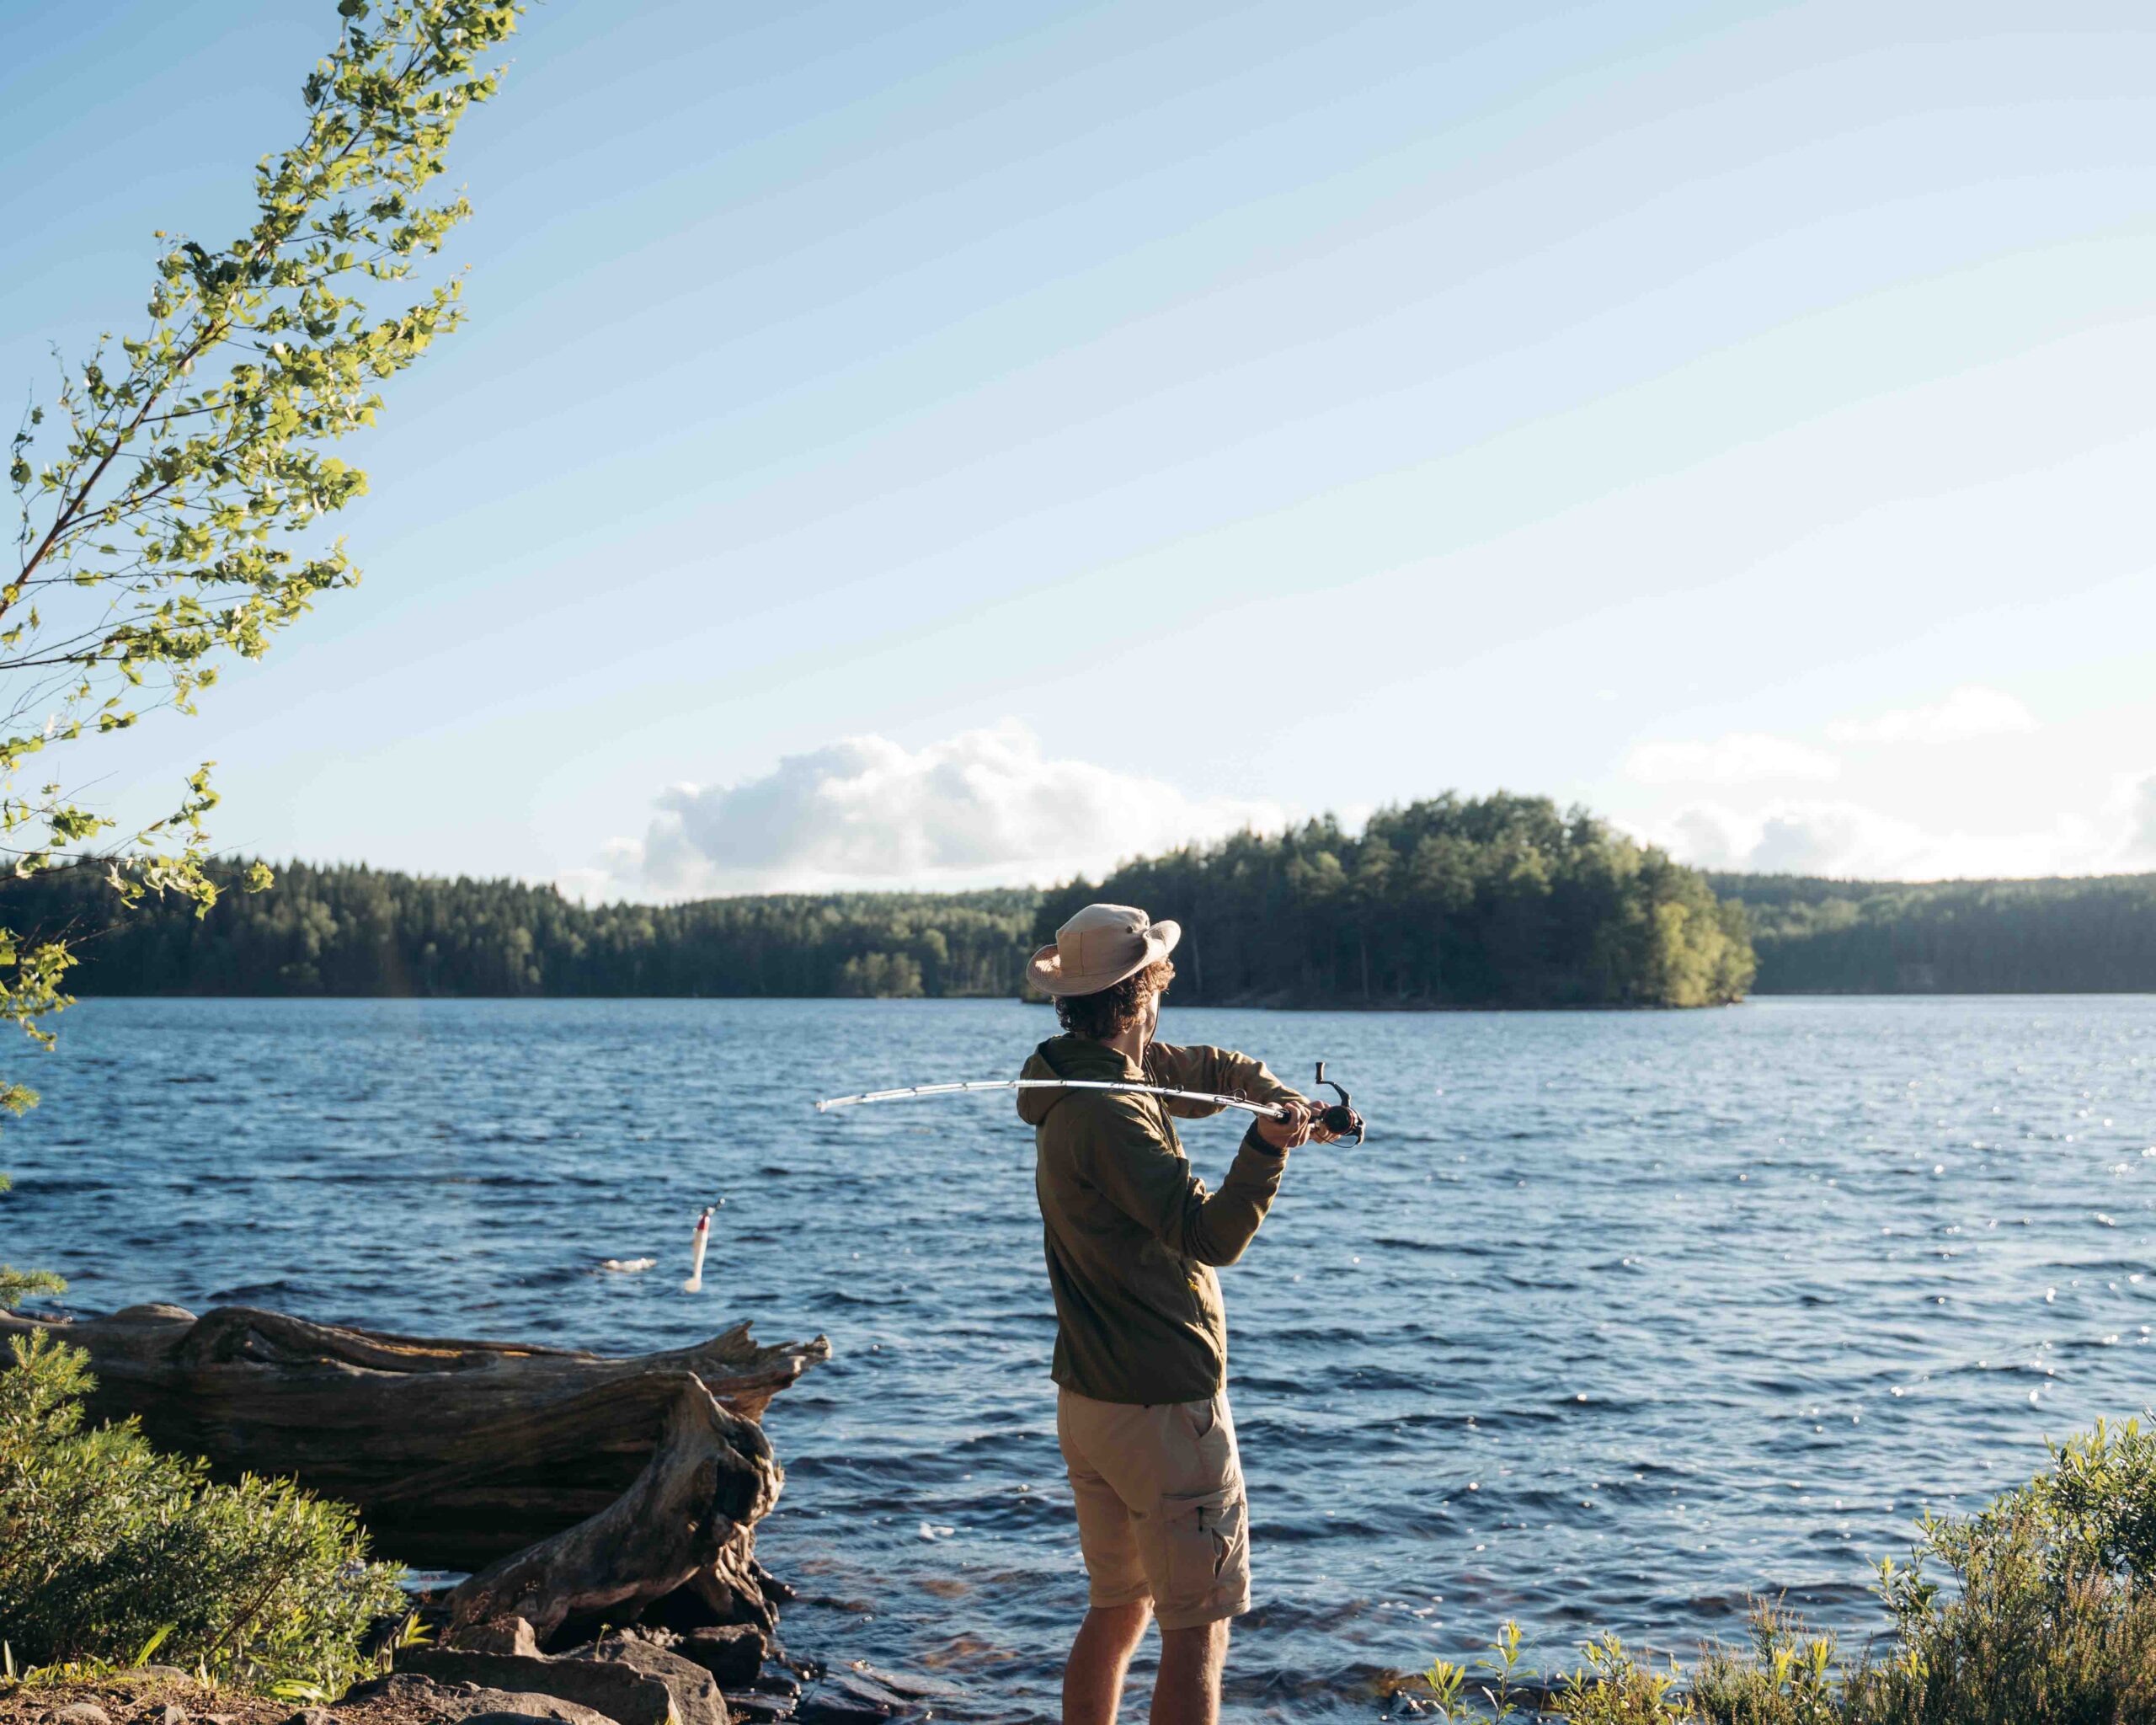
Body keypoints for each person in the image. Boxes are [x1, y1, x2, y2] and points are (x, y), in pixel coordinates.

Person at [1017, 902, 1332, 1725]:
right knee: (1198, 1627)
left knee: (1120, 1606)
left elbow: (1201, 1068)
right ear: (1142, 990)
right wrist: (1264, 1150)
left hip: (1091, 1400)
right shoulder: (1111, 1111)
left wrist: (1275, 1099)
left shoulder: (1082, 1073)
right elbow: (1208, 1233)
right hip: (1160, 1410)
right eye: (1158, 983)